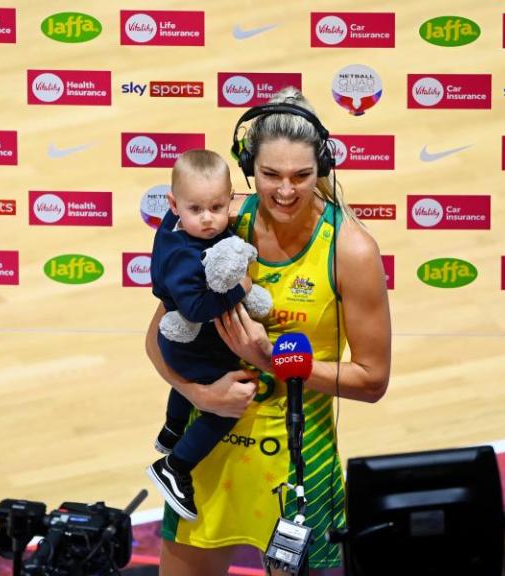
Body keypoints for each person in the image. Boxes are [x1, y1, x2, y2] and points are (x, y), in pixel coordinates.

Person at [145, 87, 391, 575]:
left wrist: (269, 359)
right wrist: (199, 393)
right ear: (247, 168)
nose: (285, 190)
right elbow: (157, 339)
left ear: (322, 167)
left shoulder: (350, 249)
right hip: (207, 454)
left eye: (302, 176)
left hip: (298, 464)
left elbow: (371, 379)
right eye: (270, 175)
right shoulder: (221, 222)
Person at [146, 149, 255, 522]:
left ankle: (173, 428)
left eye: (217, 206)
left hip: (178, 340)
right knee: (222, 409)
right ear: (174, 204)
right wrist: (239, 288)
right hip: (189, 341)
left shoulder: (173, 226)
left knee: (186, 383)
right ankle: (175, 466)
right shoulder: (185, 257)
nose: (209, 220)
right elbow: (194, 308)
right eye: (197, 210)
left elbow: (205, 202)